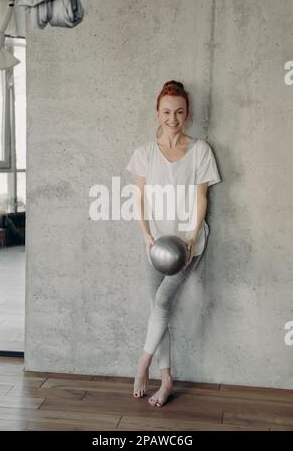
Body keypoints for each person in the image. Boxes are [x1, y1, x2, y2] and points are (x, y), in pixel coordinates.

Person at [125, 80, 221, 407]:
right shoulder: (144, 153)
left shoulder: (200, 151)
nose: (173, 117)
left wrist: (192, 236)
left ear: (188, 114)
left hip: (186, 246)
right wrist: (145, 235)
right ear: (158, 112)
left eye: (179, 111)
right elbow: (137, 198)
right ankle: (166, 381)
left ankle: (143, 365)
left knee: (162, 304)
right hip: (154, 245)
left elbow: (202, 197)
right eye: (167, 111)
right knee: (158, 310)